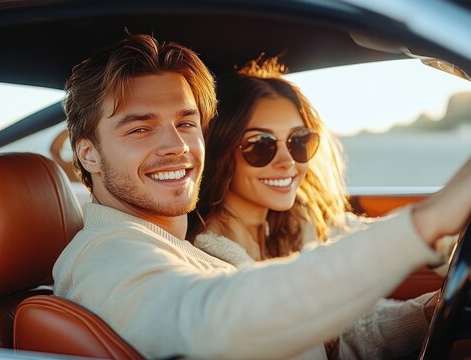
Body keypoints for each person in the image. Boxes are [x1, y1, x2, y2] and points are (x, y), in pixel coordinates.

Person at [53, 33, 471, 360]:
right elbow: (218, 324)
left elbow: (322, 343)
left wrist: (431, 315)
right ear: (87, 154)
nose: (176, 147)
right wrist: (428, 220)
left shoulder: (172, 249)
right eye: (140, 128)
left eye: (186, 123)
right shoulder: (106, 255)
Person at [186, 57, 444, 359]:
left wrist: (430, 310)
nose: (288, 161)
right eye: (260, 145)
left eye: (299, 141)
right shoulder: (212, 260)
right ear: (219, 152)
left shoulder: (295, 222)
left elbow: (348, 330)